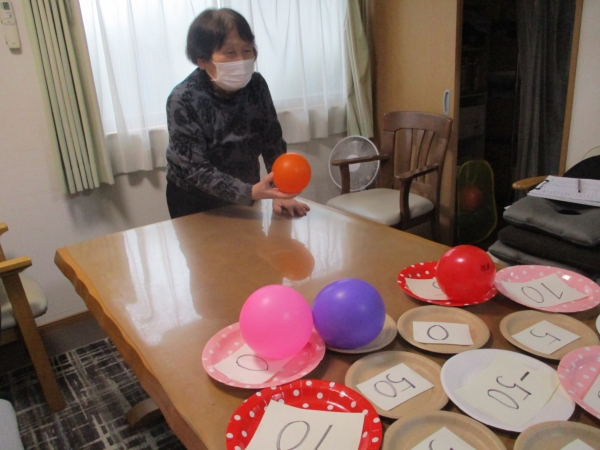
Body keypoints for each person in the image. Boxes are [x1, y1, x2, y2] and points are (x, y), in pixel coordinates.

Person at [165, 8, 310, 219]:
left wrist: (281, 191)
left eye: (247, 50)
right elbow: (196, 169)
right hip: (195, 200)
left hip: (248, 191)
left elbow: (272, 141)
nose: (241, 60)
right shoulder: (183, 98)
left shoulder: (256, 85)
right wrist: (250, 192)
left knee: (253, 241)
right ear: (202, 59)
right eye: (230, 53)